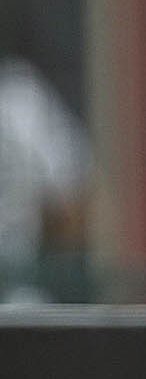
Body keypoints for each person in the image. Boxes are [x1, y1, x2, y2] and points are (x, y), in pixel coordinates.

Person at [1, 53, 92, 304]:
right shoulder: (21, 98)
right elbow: (72, 209)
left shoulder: (20, 98)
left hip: (17, 296)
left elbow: (73, 209)